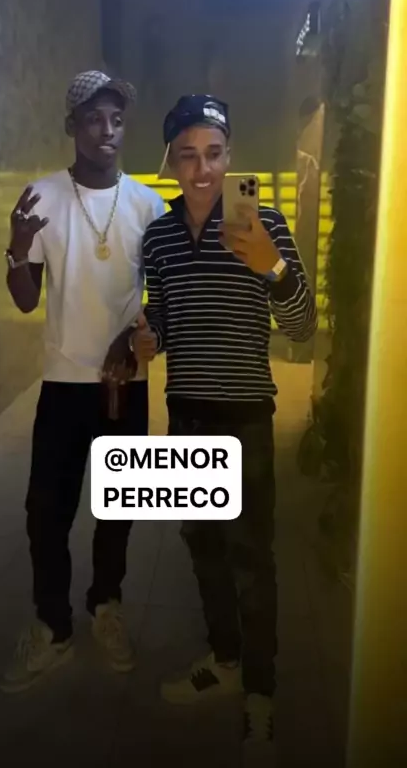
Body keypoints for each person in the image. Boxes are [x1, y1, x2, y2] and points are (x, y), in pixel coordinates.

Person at [131, 95, 317, 758]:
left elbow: (302, 328)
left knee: (251, 561)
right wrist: (149, 337)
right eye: (188, 155)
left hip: (245, 419)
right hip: (186, 416)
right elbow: (163, 318)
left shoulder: (265, 225)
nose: (202, 169)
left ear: (230, 155)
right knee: (202, 546)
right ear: (171, 162)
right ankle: (226, 658)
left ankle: (260, 693)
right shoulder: (158, 237)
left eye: (213, 153)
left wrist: (272, 264)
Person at [1, 70, 165, 693]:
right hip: (63, 383)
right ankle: (53, 625)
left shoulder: (148, 205)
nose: (107, 131)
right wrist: (17, 248)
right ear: (72, 126)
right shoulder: (41, 197)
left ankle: (106, 605)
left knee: (119, 509)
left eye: (117, 119)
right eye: (94, 118)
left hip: (125, 384)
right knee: (46, 510)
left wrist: (137, 333)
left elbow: (160, 295)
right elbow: (25, 299)